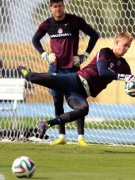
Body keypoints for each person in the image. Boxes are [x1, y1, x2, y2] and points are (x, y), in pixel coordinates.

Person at [17, 32, 135, 143]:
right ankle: (24, 70)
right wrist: (125, 77)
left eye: (129, 46)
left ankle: (46, 124)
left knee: (83, 109)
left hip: (80, 94)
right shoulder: (105, 52)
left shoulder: (124, 65)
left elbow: (130, 81)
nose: (126, 48)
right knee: (33, 78)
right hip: (74, 81)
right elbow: (103, 71)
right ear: (116, 42)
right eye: (125, 45)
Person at [32, 0, 99, 146]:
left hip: (72, 70)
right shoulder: (47, 24)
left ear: (64, 6)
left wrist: (84, 56)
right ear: (51, 8)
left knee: (79, 102)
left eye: (60, 6)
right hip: (55, 69)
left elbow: (94, 35)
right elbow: (35, 39)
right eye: (55, 6)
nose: (58, 9)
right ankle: (61, 136)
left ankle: (81, 137)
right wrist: (44, 55)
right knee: (57, 100)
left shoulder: (75, 21)